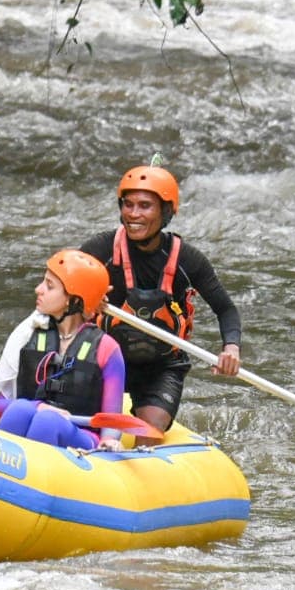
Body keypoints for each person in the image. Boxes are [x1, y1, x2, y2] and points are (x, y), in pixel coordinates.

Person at [79, 164, 241, 437]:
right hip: (104, 359)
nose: (133, 214)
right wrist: (82, 303)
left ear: (165, 212)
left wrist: (231, 348)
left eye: (145, 206)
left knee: (149, 434)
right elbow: (59, 290)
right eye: (128, 205)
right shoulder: (101, 250)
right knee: (88, 426)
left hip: (161, 366)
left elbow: (226, 309)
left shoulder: (189, 261)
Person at [0, 249, 126, 450]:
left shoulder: (108, 349)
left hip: (82, 436)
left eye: (49, 286)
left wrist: (109, 442)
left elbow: (111, 423)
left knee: (48, 422)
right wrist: (38, 406)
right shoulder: (28, 334)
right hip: (37, 418)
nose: (38, 289)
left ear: (72, 300)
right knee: (20, 410)